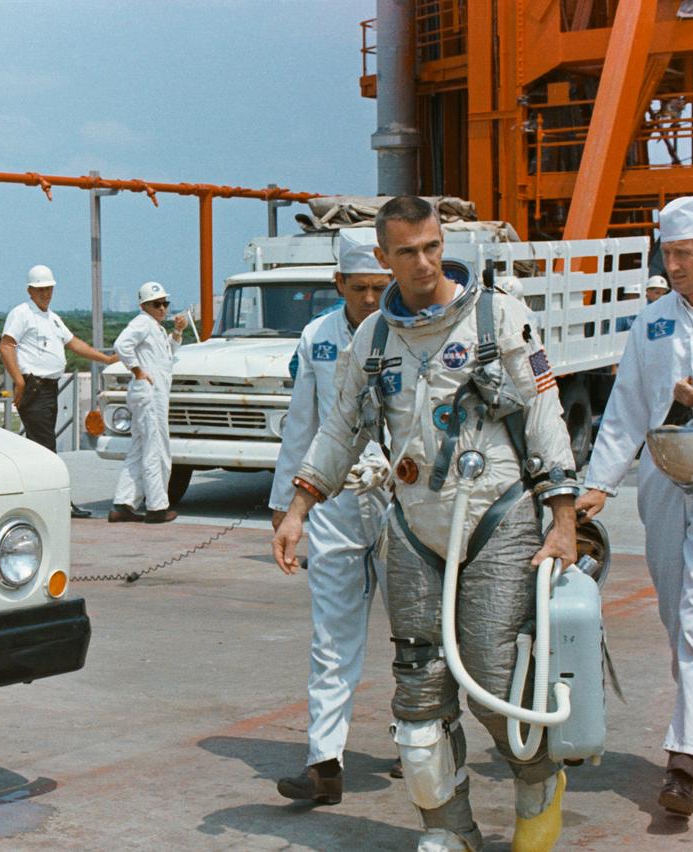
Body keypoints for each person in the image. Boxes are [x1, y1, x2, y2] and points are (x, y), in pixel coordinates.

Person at [273, 196, 578, 852]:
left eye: (432, 246)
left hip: (498, 515)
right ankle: (448, 828)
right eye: (407, 252)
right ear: (383, 260)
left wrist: (563, 519)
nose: (423, 261)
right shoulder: (373, 340)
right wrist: (298, 509)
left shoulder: (498, 318)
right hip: (415, 523)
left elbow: (546, 420)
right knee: (417, 698)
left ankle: (537, 784)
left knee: (496, 682)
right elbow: (340, 432)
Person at [578, 195, 693, 818]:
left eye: (685, 253)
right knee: (676, 614)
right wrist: (599, 482)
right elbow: (626, 406)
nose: (673, 264)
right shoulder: (652, 322)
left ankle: (684, 760)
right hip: (663, 482)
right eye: (669, 253)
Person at [270, 228, 393, 805]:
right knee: (332, 638)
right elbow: (303, 422)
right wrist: (284, 504)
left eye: (380, 286)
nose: (371, 298)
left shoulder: (410, 331)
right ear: (338, 283)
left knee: (418, 630)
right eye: (361, 287)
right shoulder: (317, 338)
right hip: (334, 502)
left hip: (403, 501)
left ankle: (422, 741)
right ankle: (325, 761)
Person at [0, 263, 117, 518]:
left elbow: (74, 343)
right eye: (40, 289)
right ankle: (57, 502)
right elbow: (7, 345)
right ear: (30, 290)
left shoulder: (52, 318)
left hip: (50, 388)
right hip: (34, 387)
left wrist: (105, 359)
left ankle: (43, 499)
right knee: (46, 448)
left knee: (41, 448)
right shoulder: (21, 313)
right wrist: (19, 381)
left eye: (49, 289)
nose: (45, 294)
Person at [108, 281, 187, 524]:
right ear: (145, 305)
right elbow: (121, 345)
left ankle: (123, 503)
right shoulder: (142, 323)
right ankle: (157, 506)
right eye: (157, 304)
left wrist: (177, 333)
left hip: (152, 395)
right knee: (156, 450)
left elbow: (165, 355)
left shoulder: (155, 327)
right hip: (150, 396)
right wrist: (137, 370)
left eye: (165, 303)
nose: (162, 308)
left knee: (140, 449)